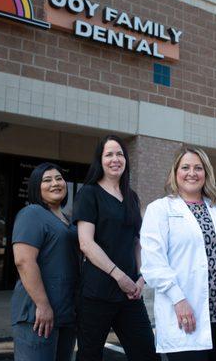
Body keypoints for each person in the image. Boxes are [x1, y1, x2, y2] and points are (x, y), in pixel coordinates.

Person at [140, 146, 216, 361]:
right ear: (175, 173)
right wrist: (178, 299)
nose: (192, 173)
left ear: (206, 174)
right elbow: (154, 263)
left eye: (198, 168)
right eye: (185, 167)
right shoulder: (160, 209)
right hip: (184, 317)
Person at [73, 135, 158, 361]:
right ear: (99, 160)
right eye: (109, 154)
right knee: (89, 356)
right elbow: (86, 243)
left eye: (119, 154)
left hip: (130, 294)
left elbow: (138, 242)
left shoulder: (131, 197)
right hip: (97, 292)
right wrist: (119, 275)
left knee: (147, 354)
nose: (115, 159)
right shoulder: (89, 194)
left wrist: (141, 277)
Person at [11, 162, 79, 361]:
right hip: (37, 315)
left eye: (59, 178)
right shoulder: (32, 213)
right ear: (35, 187)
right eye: (47, 180)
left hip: (66, 313)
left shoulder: (67, 220)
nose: (55, 183)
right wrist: (42, 305)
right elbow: (24, 261)